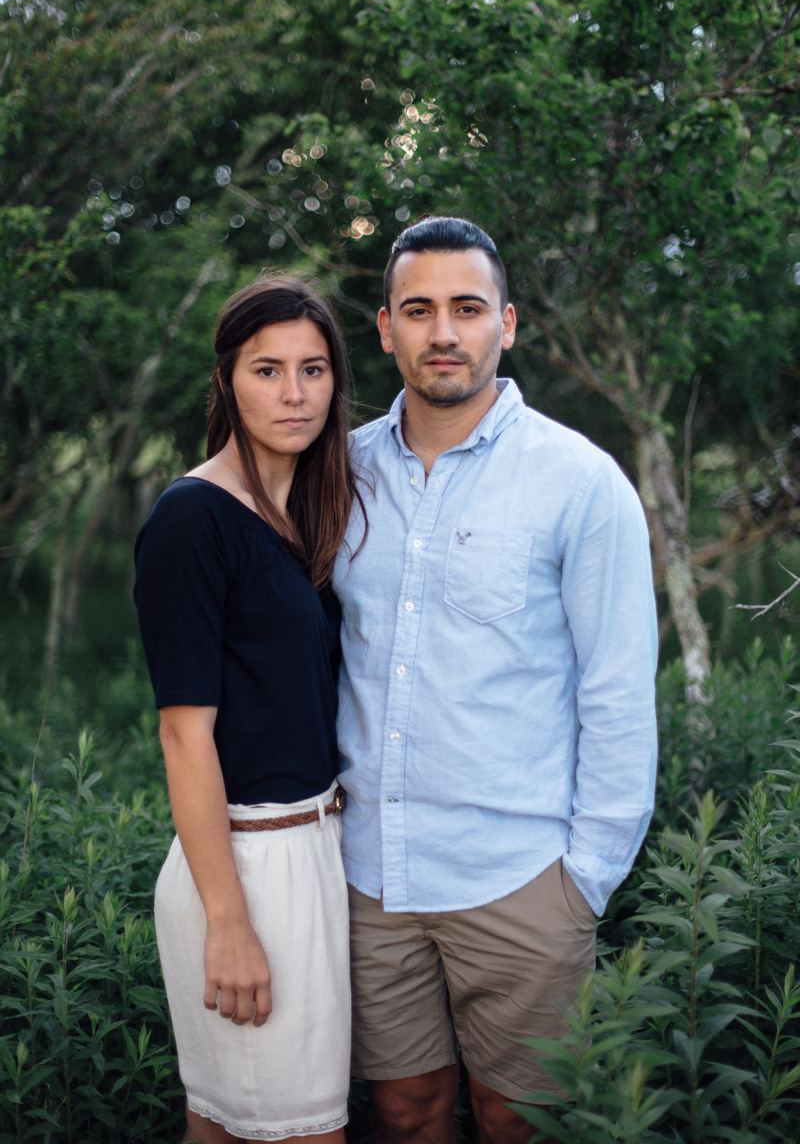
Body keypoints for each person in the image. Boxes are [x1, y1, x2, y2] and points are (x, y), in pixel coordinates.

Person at [331, 217, 658, 1144]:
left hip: (520, 880)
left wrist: (587, 877)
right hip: (369, 878)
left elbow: (618, 689)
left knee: (522, 1119)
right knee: (405, 1111)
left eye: (466, 309)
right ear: (386, 327)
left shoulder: (579, 481)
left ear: (505, 325)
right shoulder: (340, 473)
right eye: (419, 310)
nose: (444, 332)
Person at [134, 276, 364, 1144]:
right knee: (301, 1131)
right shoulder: (192, 519)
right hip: (244, 863)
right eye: (268, 370)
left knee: (230, 1124)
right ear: (227, 379)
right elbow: (182, 734)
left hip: (311, 845)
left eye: (313, 369)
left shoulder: (299, 510)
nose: (295, 393)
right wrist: (228, 923)